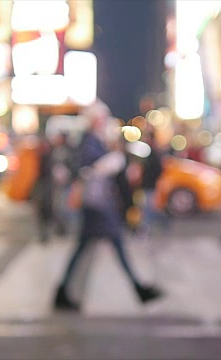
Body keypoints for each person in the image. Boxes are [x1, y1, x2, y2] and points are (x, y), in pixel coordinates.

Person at [54, 101, 162, 311]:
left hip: (99, 204)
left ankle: (63, 292)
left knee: (91, 247)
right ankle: (138, 288)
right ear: (96, 120)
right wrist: (110, 162)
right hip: (97, 205)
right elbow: (86, 168)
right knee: (110, 245)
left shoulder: (95, 140)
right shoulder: (90, 140)